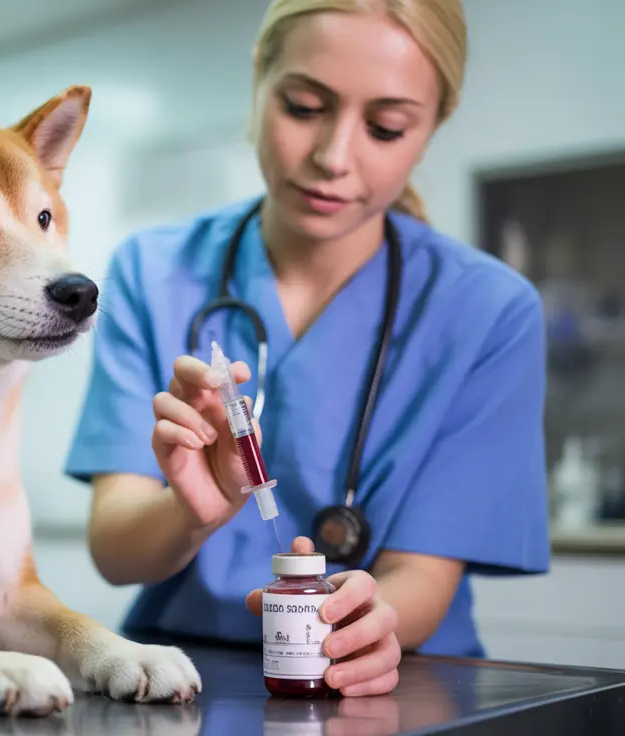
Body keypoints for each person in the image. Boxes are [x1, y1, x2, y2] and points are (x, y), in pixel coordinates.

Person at [65, 0, 550, 698]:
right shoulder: (151, 270)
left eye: (385, 128)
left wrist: (363, 621)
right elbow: (115, 548)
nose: (332, 157)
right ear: (258, 80)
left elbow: (422, 576)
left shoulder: (488, 311)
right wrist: (190, 511)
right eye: (302, 106)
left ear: (433, 126)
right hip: (183, 684)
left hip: (386, 680)